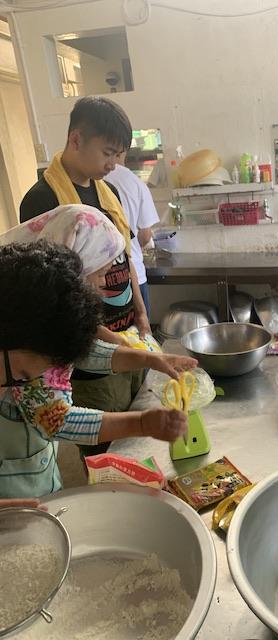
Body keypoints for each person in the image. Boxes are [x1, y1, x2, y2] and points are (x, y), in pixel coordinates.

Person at [0, 209, 196, 497]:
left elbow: (88, 354)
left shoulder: (38, 336)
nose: (105, 283)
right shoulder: (30, 337)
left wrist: (150, 359)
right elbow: (57, 419)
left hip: (39, 489)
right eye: (24, 375)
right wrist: (140, 423)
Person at [19, 96, 151, 456]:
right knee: (107, 450)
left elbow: (124, 255)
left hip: (127, 336)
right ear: (76, 139)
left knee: (138, 438)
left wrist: (141, 314)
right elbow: (54, 294)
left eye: (118, 155)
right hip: (91, 355)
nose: (113, 164)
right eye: (108, 153)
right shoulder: (43, 200)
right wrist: (112, 341)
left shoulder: (108, 193)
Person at [106, 151, 159, 317]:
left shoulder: (91, 180)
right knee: (140, 329)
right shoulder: (136, 183)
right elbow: (145, 235)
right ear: (124, 152)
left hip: (101, 279)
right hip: (133, 270)